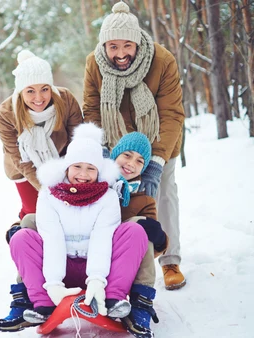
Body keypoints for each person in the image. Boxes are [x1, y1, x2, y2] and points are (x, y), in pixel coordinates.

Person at [82, 0, 186, 290]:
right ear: (104, 46)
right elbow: (91, 109)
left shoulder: (161, 60)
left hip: (158, 141)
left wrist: (155, 162)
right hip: (115, 144)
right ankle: (119, 263)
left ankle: (170, 260)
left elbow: (171, 113)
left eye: (126, 45)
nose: (120, 53)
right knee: (114, 200)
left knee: (162, 192)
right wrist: (101, 149)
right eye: (112, 47)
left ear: (137, 42)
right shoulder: (95, 63)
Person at [8, 123, 148, 326]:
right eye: (77, 167)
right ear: (67, 167)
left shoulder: (107, 197)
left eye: (91, 168)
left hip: (100, 270)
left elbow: (103, 237)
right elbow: (52, 237)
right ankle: (43, 304)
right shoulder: (49, 194)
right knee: (21, 237)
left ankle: (112, 299)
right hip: (59, 267)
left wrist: (97, 280)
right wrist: (54, 283)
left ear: (98, 171)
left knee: (134, 231)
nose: (83, 174)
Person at [0, 50, 83, 332]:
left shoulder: (65, 99)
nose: (39, 97)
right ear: (20, 91)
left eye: (44, 89)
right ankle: (23, 297)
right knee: (33, 219)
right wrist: (50, 190)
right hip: (26, 170)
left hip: (66, 164)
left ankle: (69, 276)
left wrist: (71, 182)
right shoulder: (6, 113)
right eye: (30, 91)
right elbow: (21, 159)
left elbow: (79, 143)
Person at [111, 132, 168, 338]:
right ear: (114, 154)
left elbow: (150, 248)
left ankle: (141, 303)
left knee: (141, 227)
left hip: (120, 263)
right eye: (127, 155)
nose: (131, 164)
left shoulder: (144, 200)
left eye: (139, 160)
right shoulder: (92, 179)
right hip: (87, 258)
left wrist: (159, 237)